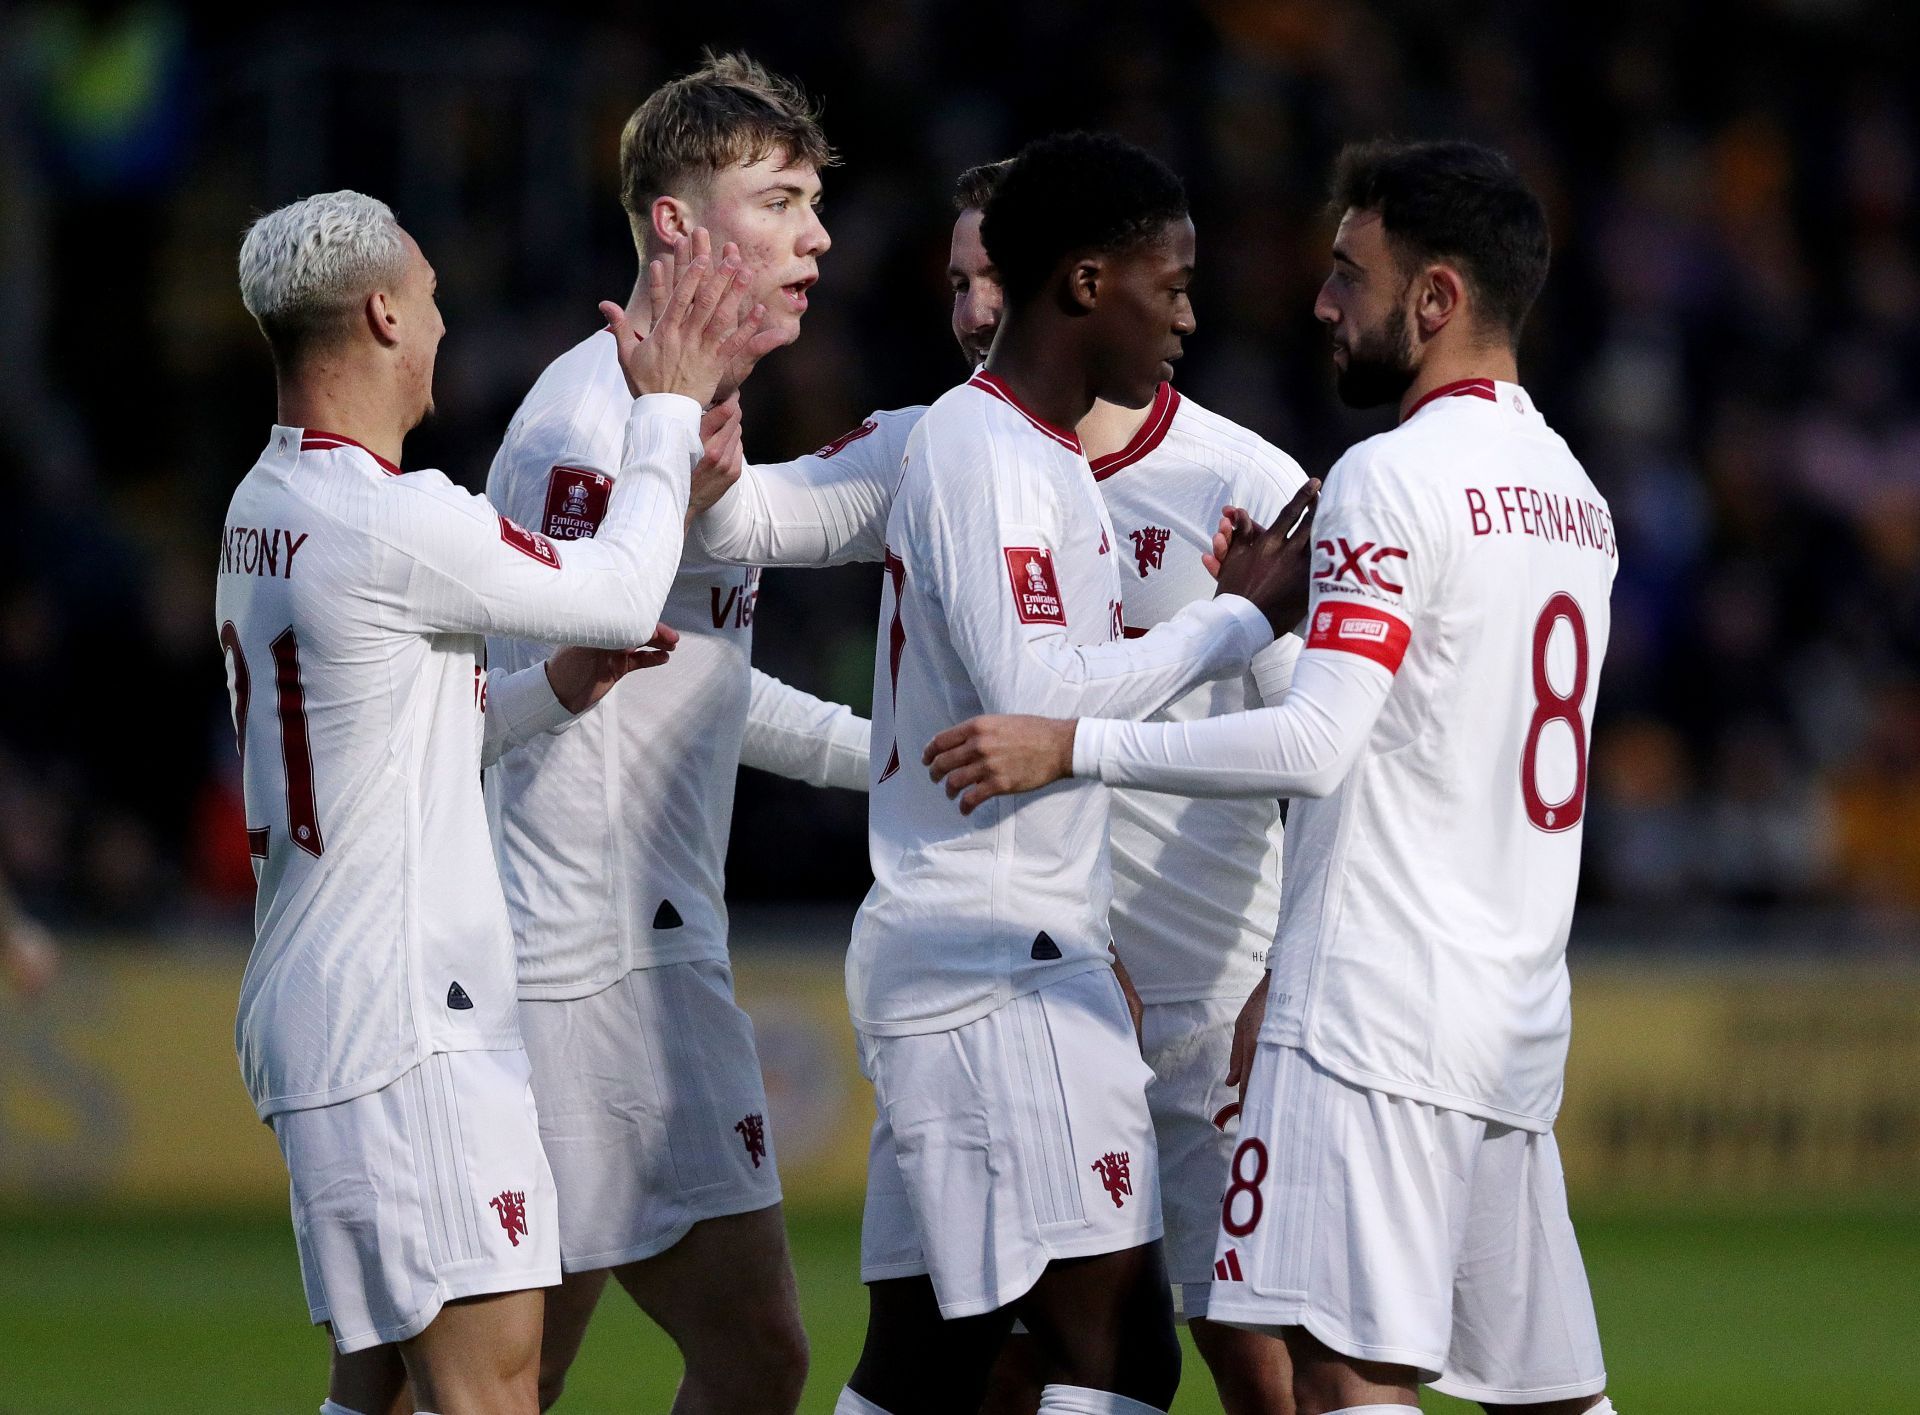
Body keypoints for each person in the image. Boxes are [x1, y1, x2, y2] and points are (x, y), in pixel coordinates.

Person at [925, 139, 1620, 1415]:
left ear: (1435, 301)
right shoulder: (1576, 496)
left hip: (1376, 1007)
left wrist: (1071, 741)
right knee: (1549, 1391)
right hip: (1516, 1006)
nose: (1321, 304)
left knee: (1339, 1368)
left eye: (1350, 276)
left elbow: (1314, 740)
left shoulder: (1390, 475)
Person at [217, 188, 755, 1415]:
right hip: (399, 1020)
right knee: (492, 1386)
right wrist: (667, 402)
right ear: (384, 314)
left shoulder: (265, 506)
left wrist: (552, 693)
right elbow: (625, 589)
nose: (451, 325)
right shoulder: (394, 521)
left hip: (329, 991)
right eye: (436, 296)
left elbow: (400, 737)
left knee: (382, 1389)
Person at [830, 130, 1313, 1415]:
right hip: (997, 959)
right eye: (1173, 283)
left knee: (933, 1356)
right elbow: (1036, 702)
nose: (1191, 315)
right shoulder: (984, 452)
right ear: (1089, 285)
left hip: (1012, 945)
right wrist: (1232, 617)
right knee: (1119, 1354)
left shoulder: (1032, 456)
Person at [481, 51, 873, 1415]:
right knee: (506, 1375)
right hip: (574, 961)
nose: (815, 234)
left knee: (752, 1353)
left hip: (664, 950)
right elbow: (553, 677)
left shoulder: (694, 417)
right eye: (778, 200)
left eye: (815, 202)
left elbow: (679, 676)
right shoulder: (593, 424)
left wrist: (879, 758)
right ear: (674, 226)